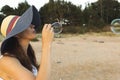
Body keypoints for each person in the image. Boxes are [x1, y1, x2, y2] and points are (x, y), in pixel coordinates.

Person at [0, 5, 54, 80]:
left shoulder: (27, 55)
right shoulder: (7, 61)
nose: (32, 25)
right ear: (16, 34)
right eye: (25, 24)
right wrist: (46, 45)